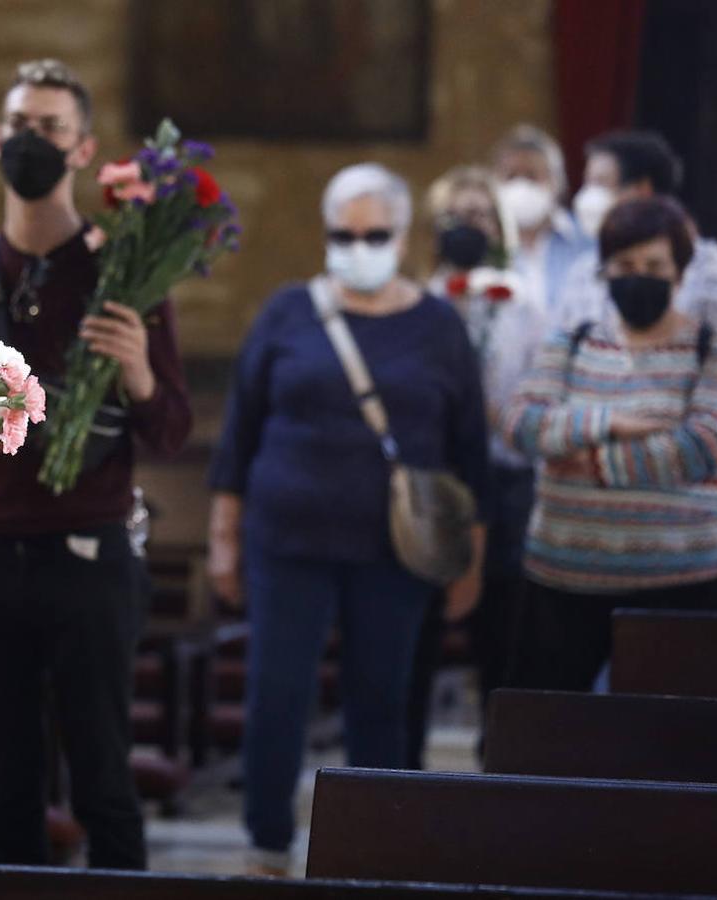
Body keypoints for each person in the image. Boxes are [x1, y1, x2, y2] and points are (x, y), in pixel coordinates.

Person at [0, 58, 192, 870]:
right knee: (7, 782)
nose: (30, 141)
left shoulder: (123, 276)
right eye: (19, 127)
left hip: (89, 555)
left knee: (104, 775)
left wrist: (137, 371)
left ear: (82, 149)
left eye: (50, 129)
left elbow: (170, 431)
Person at [207, 163, 489, 874]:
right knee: (277, 692)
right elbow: (239, 434)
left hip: (393, 547)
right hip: (287, 539)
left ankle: (375, 841)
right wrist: (222, 535)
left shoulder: (436, 325)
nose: (357, 244)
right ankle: (266, 839)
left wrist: (472, 558)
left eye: (373, 233)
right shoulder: (286, 312)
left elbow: (469, 452)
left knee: (381, 697)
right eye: (343, 232)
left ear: (399, 236)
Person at [503, 196, 717, 692]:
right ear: (604, 270)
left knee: (671, 745)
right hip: (563, 579)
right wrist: (613, 421)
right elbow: (522, 424)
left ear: (680, 271)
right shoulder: (572, 340)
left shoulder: (711, 348)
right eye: (626, 264)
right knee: (543, 737)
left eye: (655, 265)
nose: (639, 275)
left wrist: (586, 459)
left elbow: (706, 443)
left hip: (682, 584)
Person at [406, 166, 547, 766]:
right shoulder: (415, 301)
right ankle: (397, 777)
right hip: (431, 488)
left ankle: (501, 778)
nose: (471, 226)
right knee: (414, 641)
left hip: (505, 481)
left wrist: (496, 412)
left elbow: (541, 393)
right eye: (457, 216)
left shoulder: (524, 304)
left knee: (503, 644)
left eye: (482, 216)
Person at [556, 130, 717, 343]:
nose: (587, 196)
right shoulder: (585, 268)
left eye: (601, 183)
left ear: (642, 189)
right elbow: (560, 344)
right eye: (587, 183)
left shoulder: (705, 267)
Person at [491, 124, 593, 313]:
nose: (521, 185)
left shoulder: (586, 240)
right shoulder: (487, 245)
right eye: (511, 176)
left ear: (556, 181)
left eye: (531, 175)